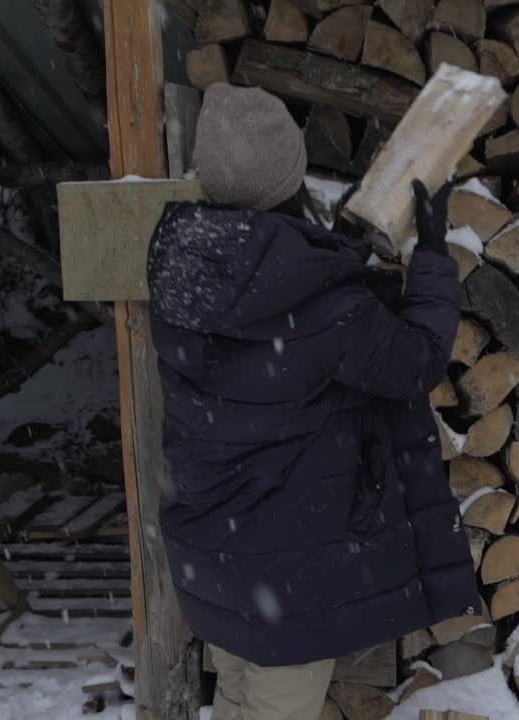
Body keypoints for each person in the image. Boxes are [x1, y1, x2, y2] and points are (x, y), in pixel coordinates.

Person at [146, 83, 482, 720]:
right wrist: (432, 259)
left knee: (239, 699)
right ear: (289, 176)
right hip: (288, 565)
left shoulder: (182, 266)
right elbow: (413, 362)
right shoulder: (319, 300)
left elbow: (279, 303)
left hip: (216, 545)